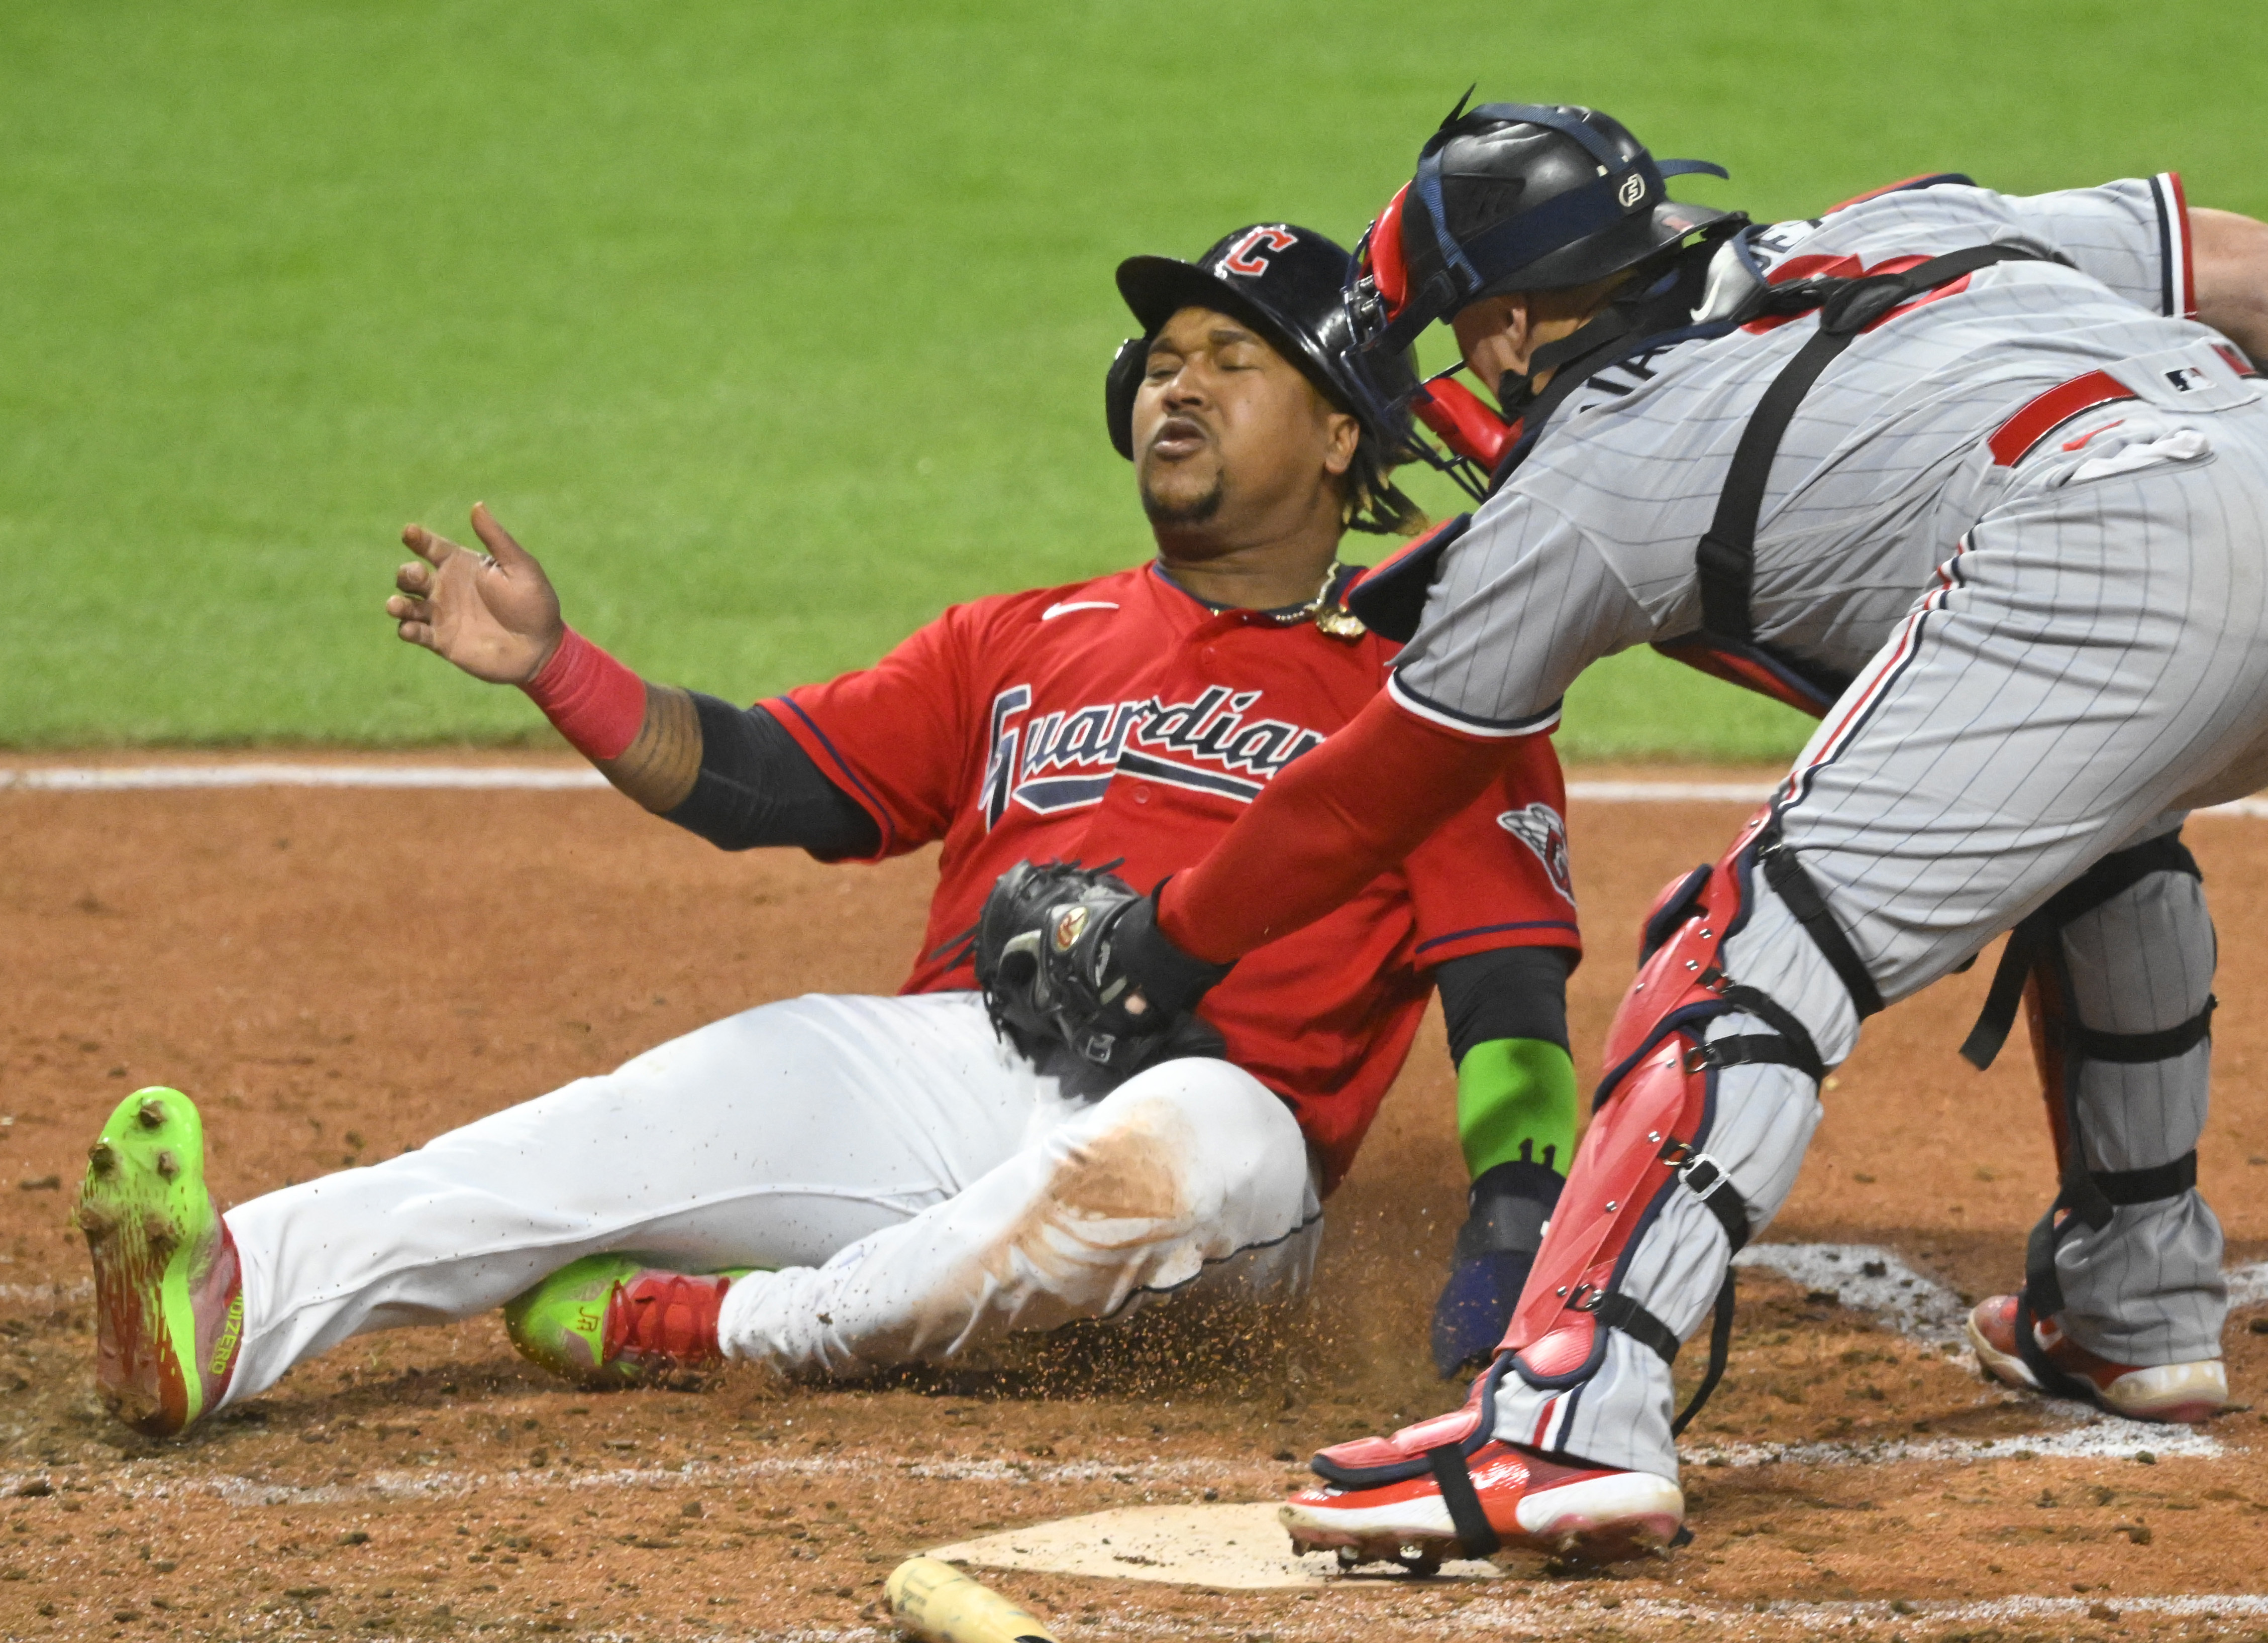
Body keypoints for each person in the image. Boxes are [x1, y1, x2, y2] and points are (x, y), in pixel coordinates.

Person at [971, 104, 2268, 1565]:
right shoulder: (1891, 223)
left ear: (1511, 323)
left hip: (2107, 540)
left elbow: (1380, 786)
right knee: (2102, 831)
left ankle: (1568, 1416)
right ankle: (2133, 1303)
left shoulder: (1600, 468)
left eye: (1462, 334)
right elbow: (2265, 273)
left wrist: (1168, 935)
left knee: (1750, 940)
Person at [71, 224, 1587, 1439]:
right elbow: (761, 778)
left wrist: (1515, 1235)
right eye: (1163, 358)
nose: (1173, 387)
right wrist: (557, 664)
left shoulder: (1441, 695)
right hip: (960, 1071)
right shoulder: (1024, 635)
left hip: (1216, 1166)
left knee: (1206, 1138)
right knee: (639, 1115)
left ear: (1338, 435)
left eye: (1231, 360)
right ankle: (233, 1293)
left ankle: (722, 1324)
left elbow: (1510, 999)